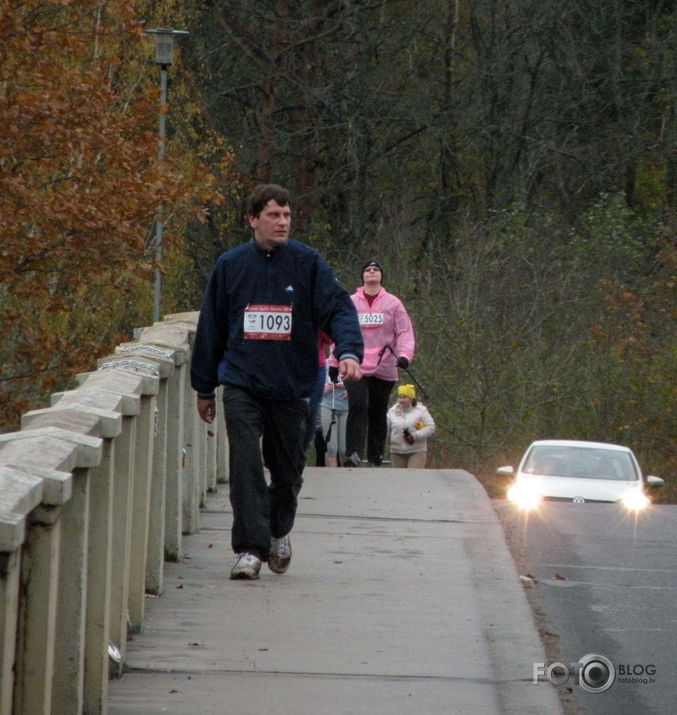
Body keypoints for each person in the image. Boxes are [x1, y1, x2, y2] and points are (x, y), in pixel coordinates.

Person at [190, 184, 363, 580]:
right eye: (273, 215)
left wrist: (349, 351)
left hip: (292, 386)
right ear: (252, 220)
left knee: (286, 472)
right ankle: (250, 550)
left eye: (286, 216)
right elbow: (211, 329)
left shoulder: (308, 264)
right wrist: (204, 387)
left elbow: (338, 309)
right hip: (242, 383)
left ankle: (278, 530)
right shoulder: (231, 266)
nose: (282, 222)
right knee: (246, 464)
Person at [336, 259, 415, 467]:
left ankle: (375, 455)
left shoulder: (393, 303)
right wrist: (335, 360)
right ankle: (353, 453)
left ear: (381, 276)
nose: (372, 272)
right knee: (357, 406)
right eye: (368, 270)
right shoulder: (350, 302)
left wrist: (404, 355)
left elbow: (405, 332)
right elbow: (341, 331)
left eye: (376, 270)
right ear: (362, 277)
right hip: (356, 363)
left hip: (384, 364)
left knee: (378, 410)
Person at [386, 384, 435, 468]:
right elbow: (386, 429)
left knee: (413, 478)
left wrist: (415, 435)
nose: (401, 400)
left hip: (416, 450)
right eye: (400, 397)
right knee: (399, 479)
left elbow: (431, 427)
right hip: (396, 451)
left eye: (404, 397)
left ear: (411, 399)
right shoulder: (392, 411)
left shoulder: (421, 410)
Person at [319, 364, 349, 467]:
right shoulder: (325, 365)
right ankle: (332, 476)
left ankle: (347, 476)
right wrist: (323, 388)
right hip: (328, 407)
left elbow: (361, 382)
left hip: (346, 409)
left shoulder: (351, 363)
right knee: (331, 447)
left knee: (344, 449)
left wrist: (351, 390)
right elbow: (312, 382)